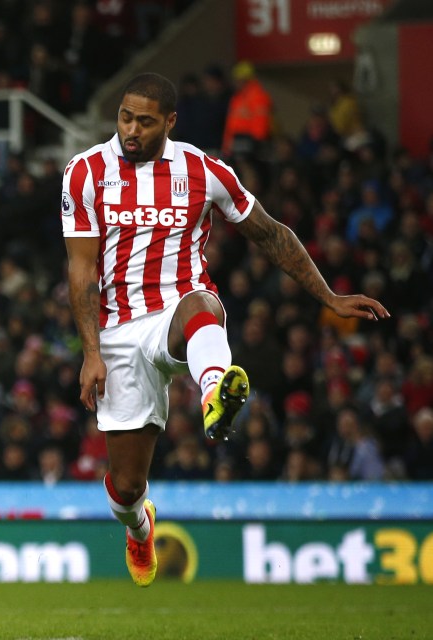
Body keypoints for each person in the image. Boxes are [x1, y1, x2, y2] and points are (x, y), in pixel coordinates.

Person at [60, 73, 389, 587]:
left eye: (145, 122)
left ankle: (217, 390)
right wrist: (91, 354)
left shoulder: (204, 170)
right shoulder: (83, 173)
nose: (131, 130)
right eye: (125, 117)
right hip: (118, 329)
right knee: (126, 486)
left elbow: (271, 234)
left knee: (202, 305)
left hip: (177, 308)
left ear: (170, 121)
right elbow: (81, 271)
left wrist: (328, 296)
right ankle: (139, 528)